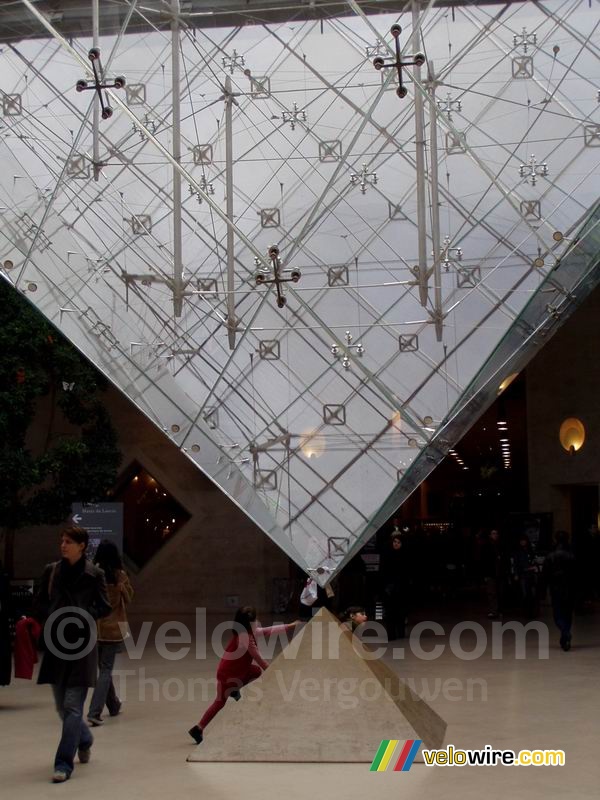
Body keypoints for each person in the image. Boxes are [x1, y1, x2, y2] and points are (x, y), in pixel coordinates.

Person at [33, 527, 111, 783]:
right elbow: (39, 602)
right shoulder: (51, 571)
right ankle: (85, 738)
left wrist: (84, 615)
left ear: (82, 545)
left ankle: (63, 764)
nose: (63, 545)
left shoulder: (95, 574)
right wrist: (51, 616)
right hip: (56, 644)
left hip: (81, 645)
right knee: (61, 707)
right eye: (62, 541)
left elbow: (105, 606)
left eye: (68, 542)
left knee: (72, 706)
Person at [188, 606, 298, 744]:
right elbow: (259, 658)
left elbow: (267, 631)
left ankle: (198, 728)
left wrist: (290, 626)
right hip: (232, 675)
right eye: (255, 620)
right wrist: (273, 672)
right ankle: (234, 689)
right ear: (249, 623)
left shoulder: (245, 632)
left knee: (221, 700)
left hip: (225, 671)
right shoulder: (246, 639)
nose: (257, 622)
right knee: (255, 673)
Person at [87, 540, 134, 726]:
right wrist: (122, 587)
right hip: (113, 628)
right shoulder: (119, 575)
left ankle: (113, 705)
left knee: (103, 668)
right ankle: (94, 712)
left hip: (95, 627)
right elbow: (129, 598)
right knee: (106, 670)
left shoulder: (93, 574)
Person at [542, 531, 577, 651]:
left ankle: (565, 633)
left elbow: (545, 575)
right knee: (568, 614)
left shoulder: (550, 556)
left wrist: (542, 590)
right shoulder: (572, 555)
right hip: (570, 589)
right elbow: (577, 574)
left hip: (556, 589)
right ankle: (565, 637)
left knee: (558, 615)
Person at [380, 534, 409, 639]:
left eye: (398, 542)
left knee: (400, 611)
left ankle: (400, 633)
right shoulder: (387, 555)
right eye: (394, 542)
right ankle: (391, 634)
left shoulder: (405, 555)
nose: (396, 544)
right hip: (389, 588)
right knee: (390, 612)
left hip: (401, 587)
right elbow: (383, 571)